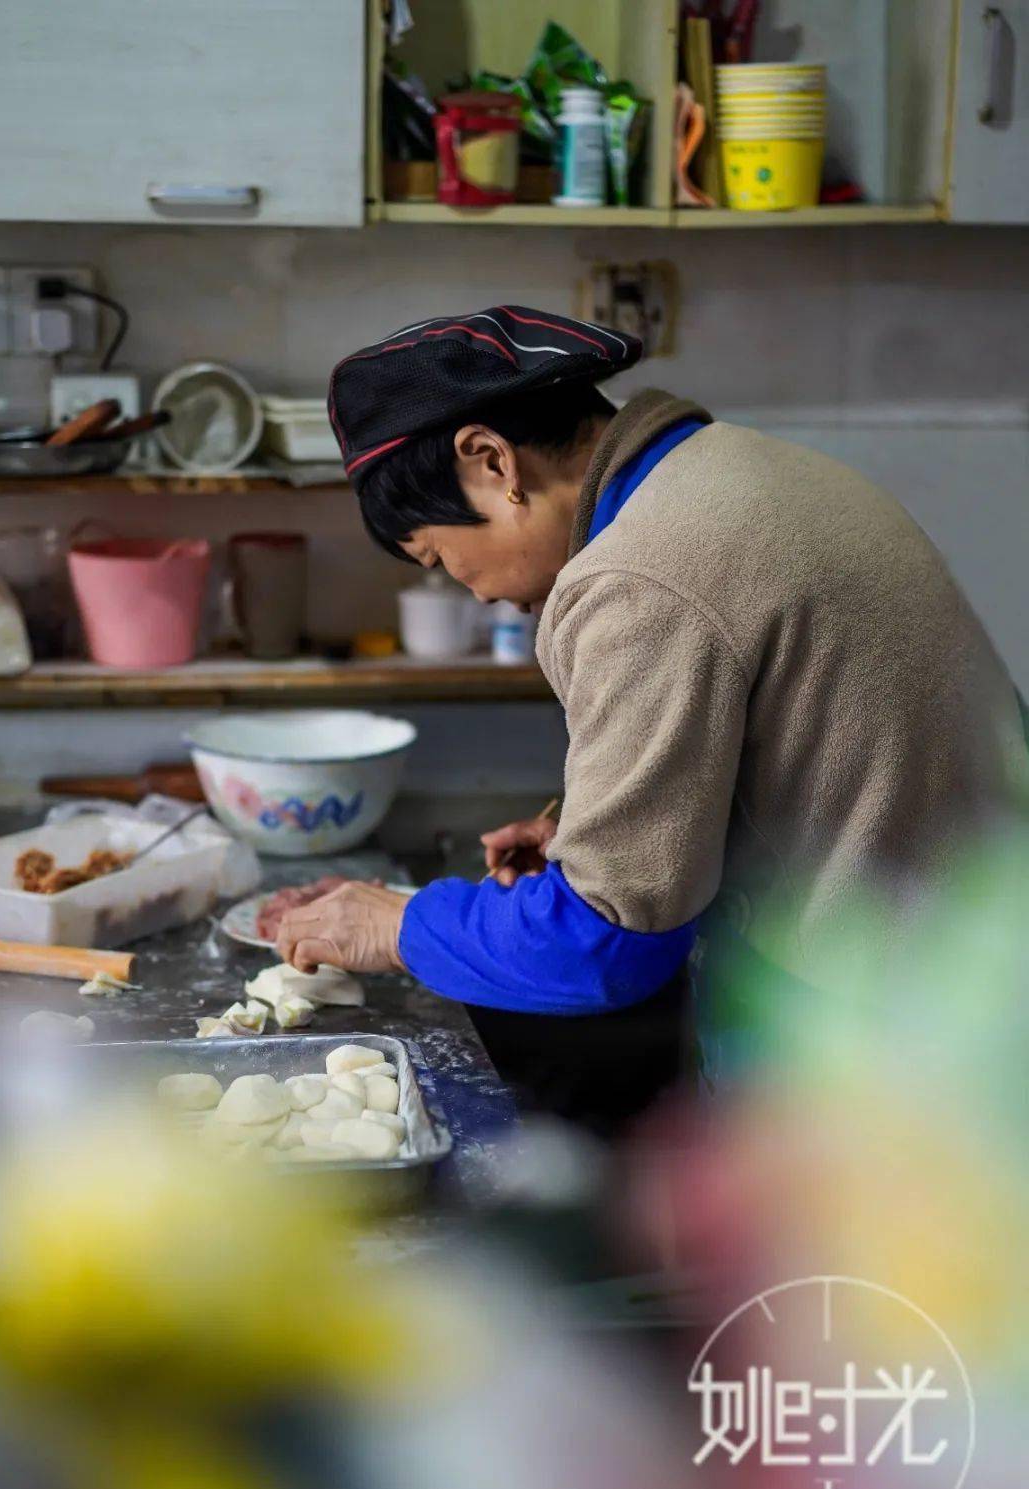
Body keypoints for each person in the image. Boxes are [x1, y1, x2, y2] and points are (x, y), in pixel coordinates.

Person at [278, 305, 1028, 1084]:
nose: (469, 591)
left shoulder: (640, 574)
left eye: (437, 556)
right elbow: (807, 731)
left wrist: (401, 925)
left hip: (892, 1041)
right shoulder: (738, 468)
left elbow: (603, 943)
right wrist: (595, 827)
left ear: (491, 461)